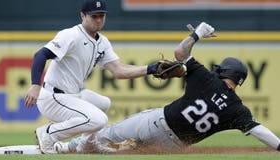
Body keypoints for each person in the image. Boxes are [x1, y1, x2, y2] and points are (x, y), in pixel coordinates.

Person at [55, 22, 280, 154]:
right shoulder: (238, 110)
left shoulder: (206, 79)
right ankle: (86, 150)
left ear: (225, 72)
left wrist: (197, 34)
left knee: (109, 134)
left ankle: (65, 149)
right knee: (121, 152)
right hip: (173, 147)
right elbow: (259, 131)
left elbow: (180, 54)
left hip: (157, 123)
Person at [24, 0, 161, 154]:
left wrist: (151, 69)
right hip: (53, 98)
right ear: (83, 16)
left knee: (103, 103)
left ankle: (87, 144)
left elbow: (119, 70)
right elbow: (41, 54)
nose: (98, 20)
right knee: (99, 119)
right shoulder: (71, 35)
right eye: (94, 16)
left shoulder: (102, 41)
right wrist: (35, 85)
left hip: (73, 95)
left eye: (101, 16)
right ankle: (49, 134)